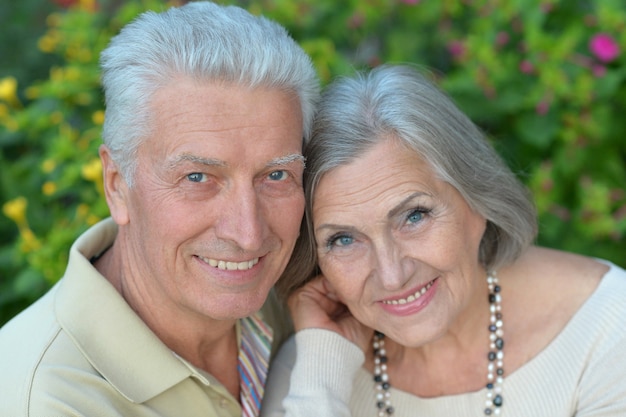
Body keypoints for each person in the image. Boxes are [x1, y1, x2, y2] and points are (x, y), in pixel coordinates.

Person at [0, 2, 319, 416]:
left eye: (276, 176)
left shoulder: (296, 303)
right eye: (197, 178)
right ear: (117, 186)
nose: (248, 234)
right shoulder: (46, 400)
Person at [261, 65, 626, 416]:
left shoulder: (606, 331)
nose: (392, 275)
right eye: (343, 240)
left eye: (415, 216)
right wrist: (321, 378)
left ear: (477, 200)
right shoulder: (313, 366)